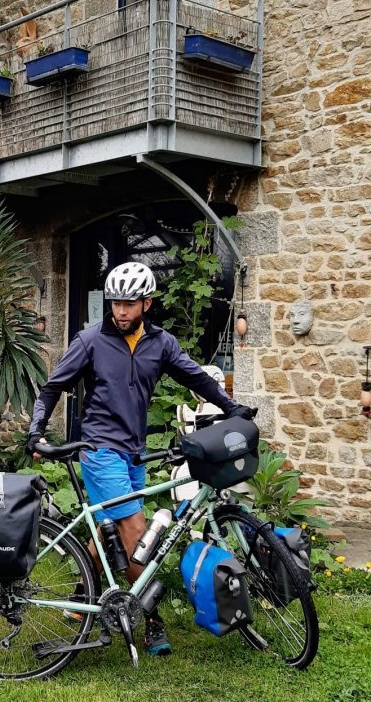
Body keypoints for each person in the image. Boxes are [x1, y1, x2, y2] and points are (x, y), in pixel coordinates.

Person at [27, 261, 256, 657]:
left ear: (146, 303)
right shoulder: (90, 341)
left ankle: (82, 599)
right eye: (116, 303)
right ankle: (149, 616)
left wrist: (232, 407)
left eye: (129, 303)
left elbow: (196, 378)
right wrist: (37, 428)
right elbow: (52, 388)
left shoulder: (161, 344)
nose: (120, 311)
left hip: (134, 452)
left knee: (109, 528)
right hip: (99, 450)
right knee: (135, 530)